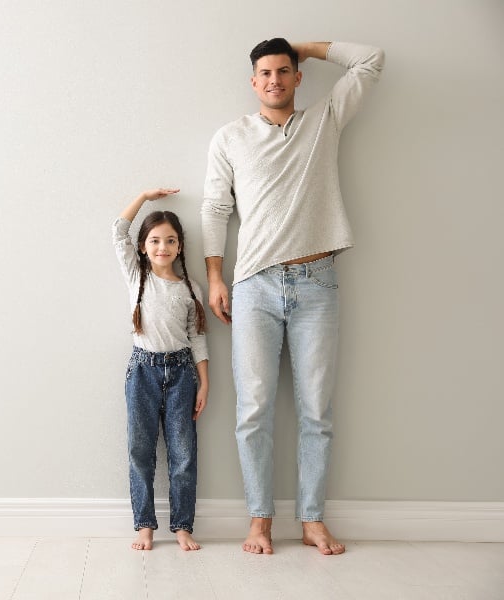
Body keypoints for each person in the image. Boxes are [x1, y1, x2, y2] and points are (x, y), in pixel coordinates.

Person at [200, 39, 385, 555]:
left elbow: (371, 59)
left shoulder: (324, 121)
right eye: (265, 72)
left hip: (318, 282)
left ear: (298, 77)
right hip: (253, 285)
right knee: (253, 409)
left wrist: (302, 46)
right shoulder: (231, 137)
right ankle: (259, 521)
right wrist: (216, 277)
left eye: (284, 70)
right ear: (253, 81)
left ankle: (311, 520)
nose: (275, 79)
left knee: (316, 412)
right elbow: (215, 209)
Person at [113, 188, 210, 551]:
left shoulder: (190, 288)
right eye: (154, 241)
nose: (162, 247)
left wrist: (204, 382)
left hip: (182, 373)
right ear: (143, 247)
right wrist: (143, 197)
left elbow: (198, 338)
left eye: (170, 240)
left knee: (183, 453)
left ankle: (183, 526)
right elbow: (117, 231)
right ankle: (145, 526)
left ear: (180, 246)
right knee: (141, 450)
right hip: (142, 372)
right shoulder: (137, 277)